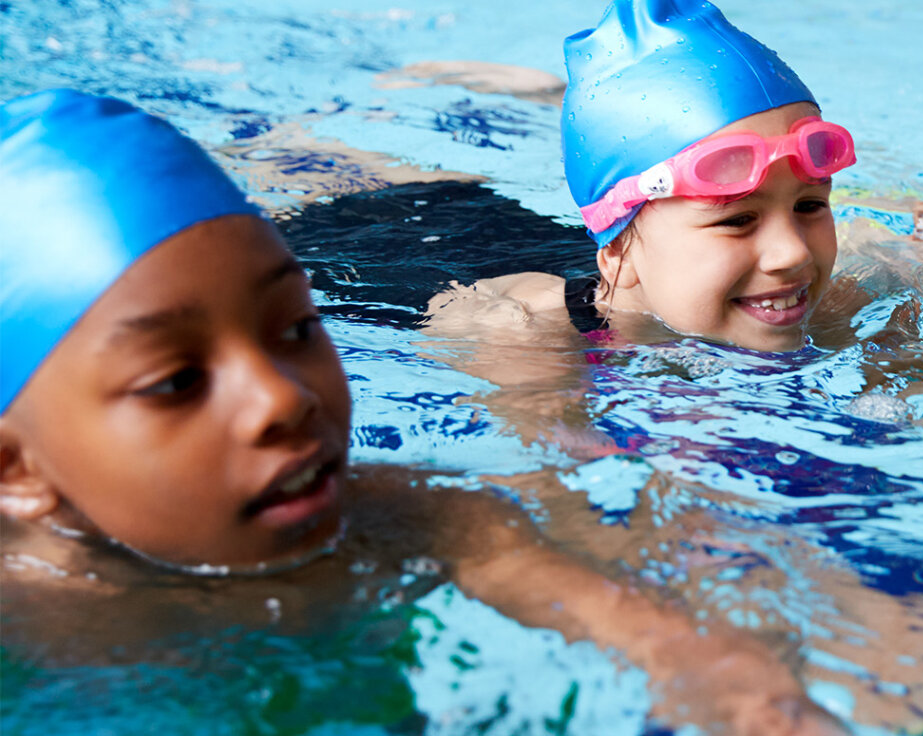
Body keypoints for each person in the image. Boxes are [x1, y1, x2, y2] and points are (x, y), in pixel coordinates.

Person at [0, 88, 843, 736]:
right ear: (16, 467)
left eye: (297, 329)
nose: (282, 398)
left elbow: (683, 653)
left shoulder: (419, 519)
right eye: (178, 381)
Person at [426, 0, 862, 355]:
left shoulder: (826, 301)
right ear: (615, 252)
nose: (793, 253)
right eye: (738, 220)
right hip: (416, 235)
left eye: (809, 205)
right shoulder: (529, 338)